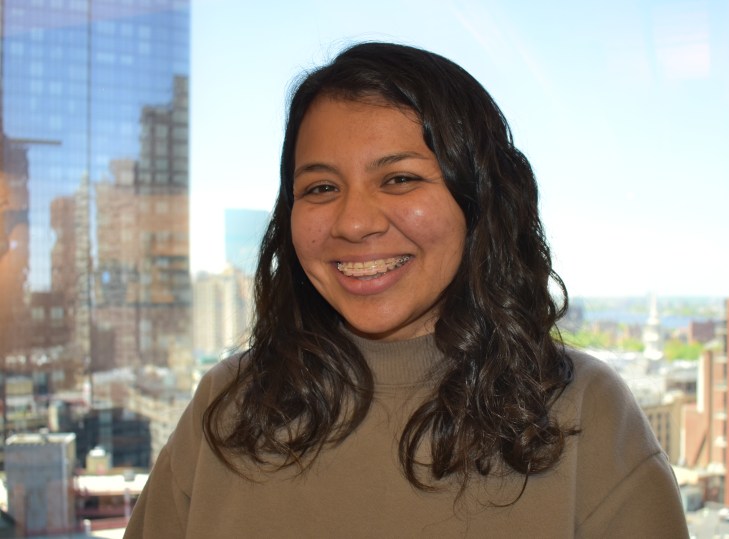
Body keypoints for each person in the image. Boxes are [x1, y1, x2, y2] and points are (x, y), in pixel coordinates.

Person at [124, 42, 688, 538]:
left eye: (398, 179)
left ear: (479, 201)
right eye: (320, 187)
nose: (354, 221)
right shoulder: (227, 406)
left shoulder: (585, 413)